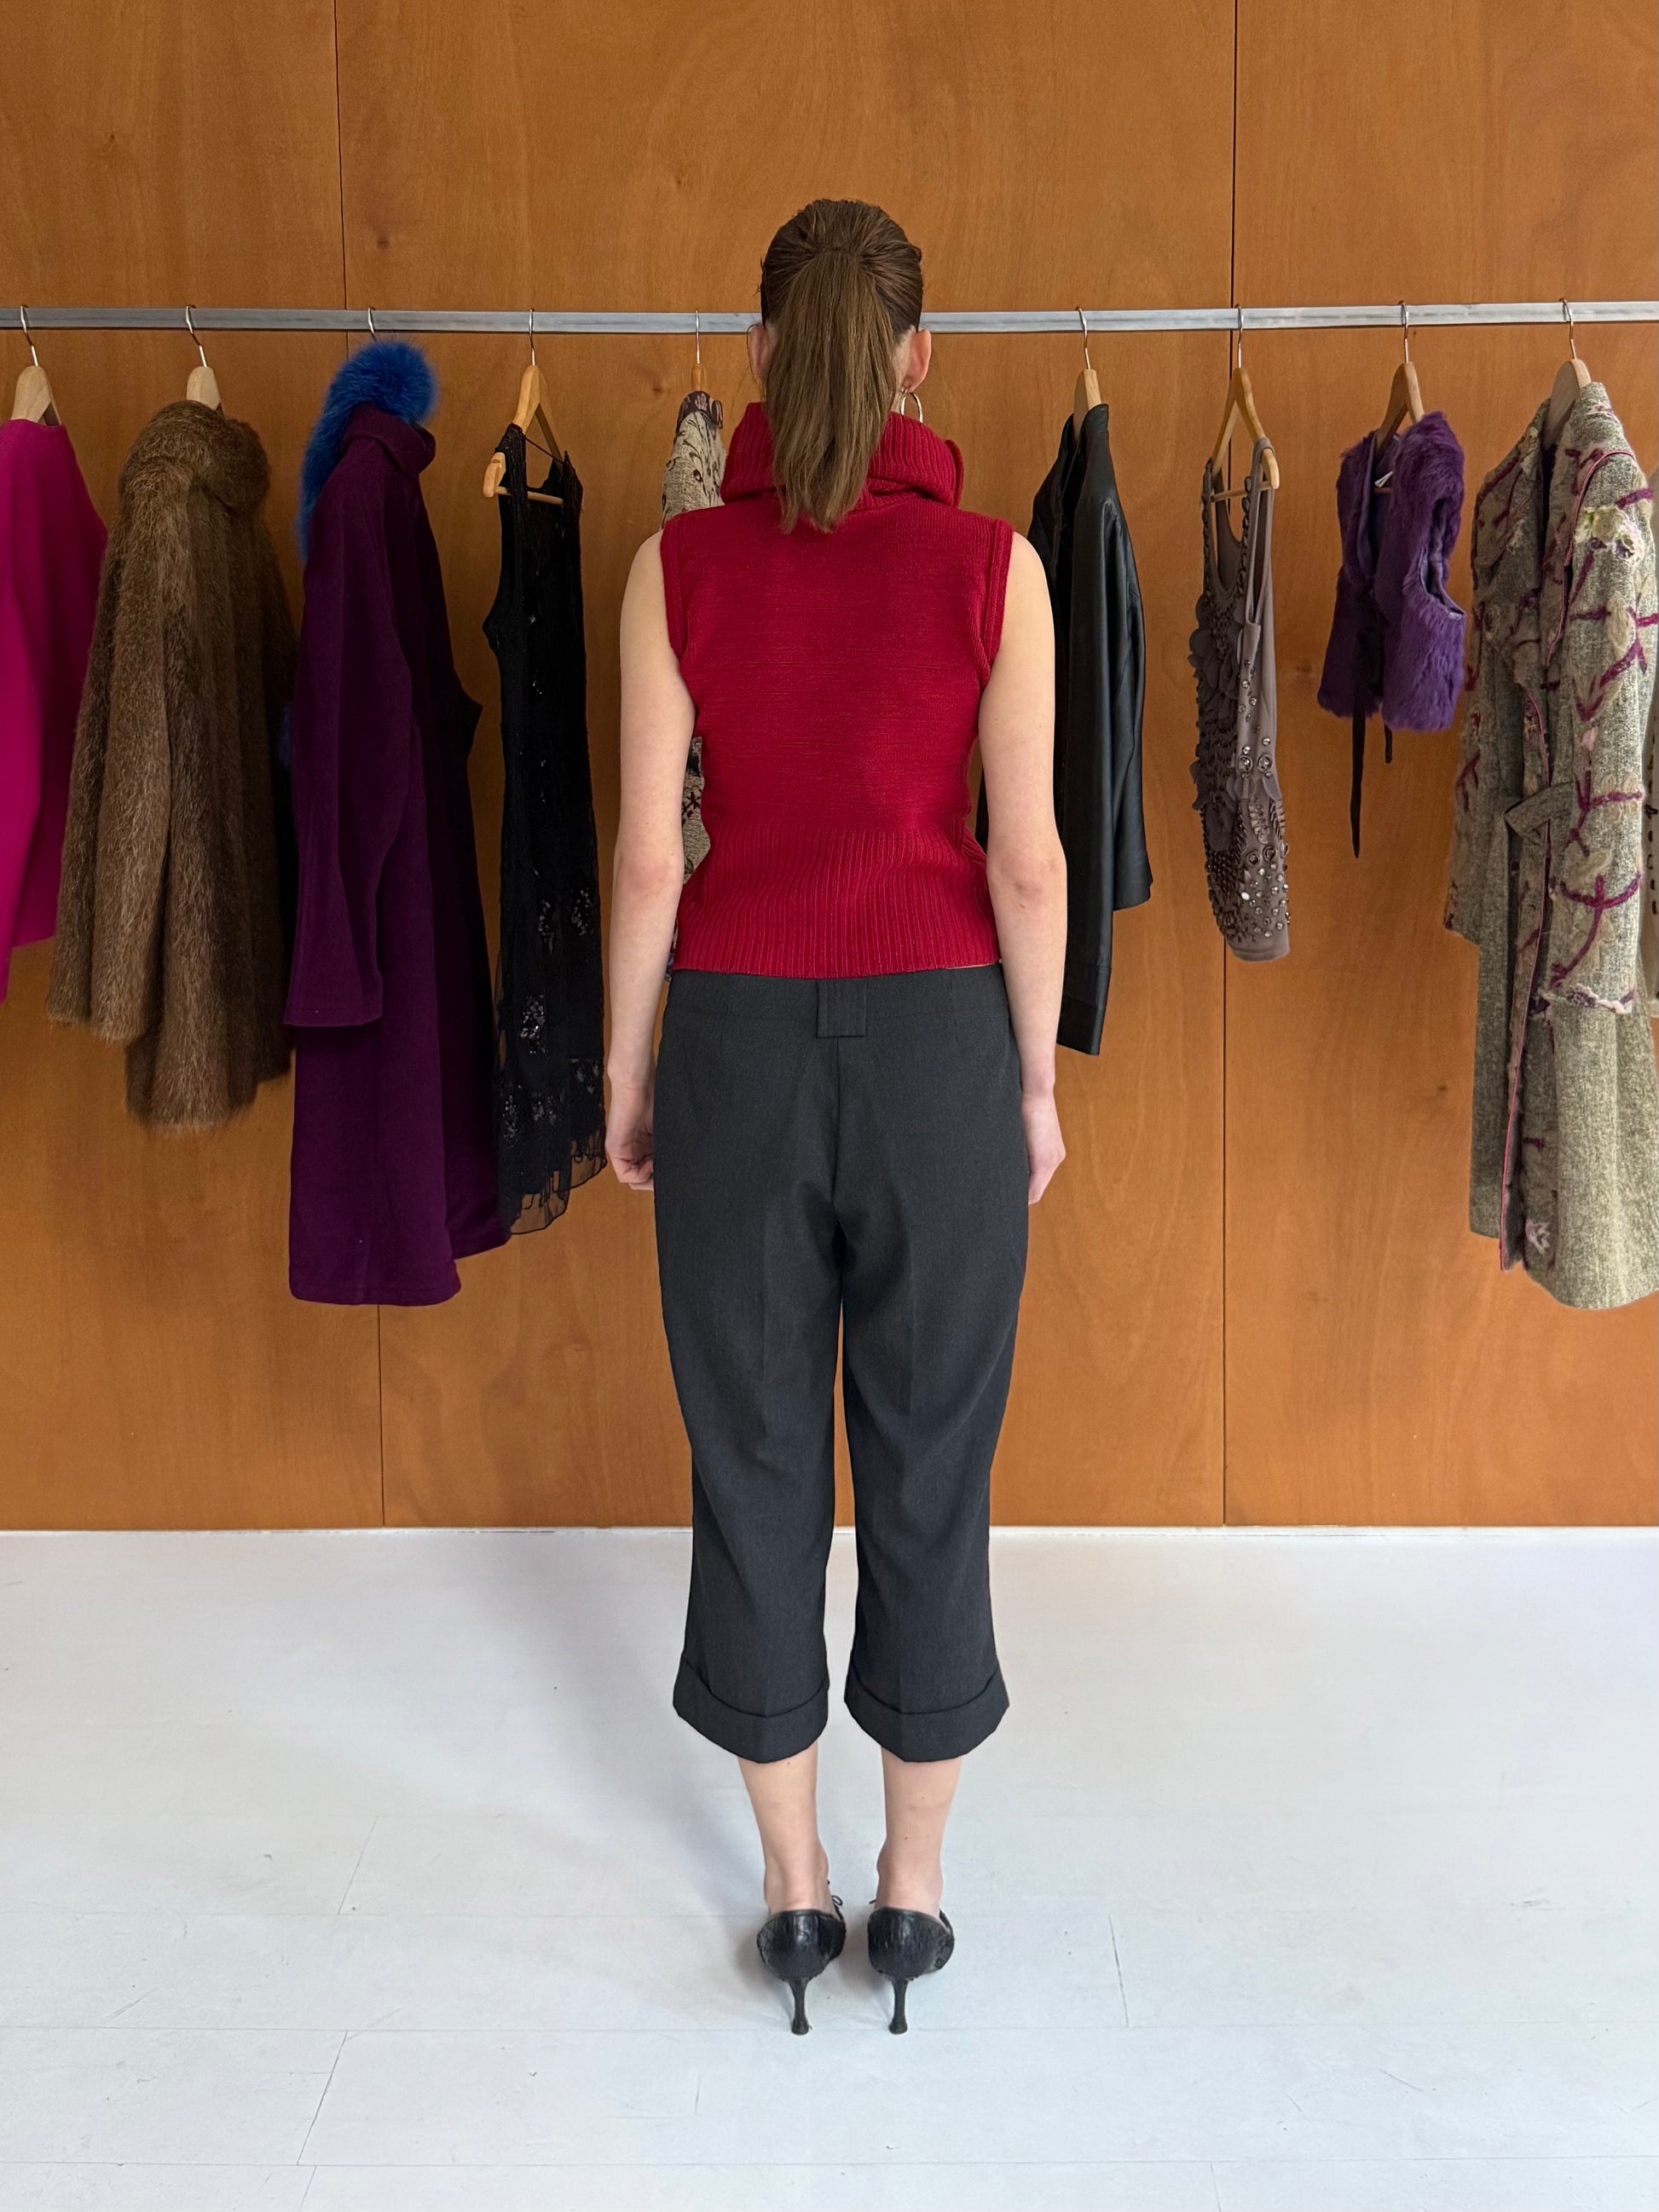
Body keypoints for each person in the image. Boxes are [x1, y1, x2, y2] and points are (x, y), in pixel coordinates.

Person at [606, 198, 1065, 2034]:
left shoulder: (675, 568)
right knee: (932, 1457)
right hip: (941, 1043)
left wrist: (629, 1073)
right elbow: (1026, 862)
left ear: (757, 356)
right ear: (915, 358)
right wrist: (1030, 1081)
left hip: (732, 1039)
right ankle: (913, 1888)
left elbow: (652, 856)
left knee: (752, 1459)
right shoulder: (992, 568)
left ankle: (791, 1889)